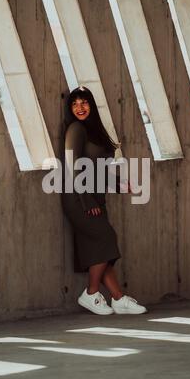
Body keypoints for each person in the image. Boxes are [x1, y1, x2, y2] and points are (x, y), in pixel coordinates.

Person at [61, 86, 147, 315]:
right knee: (107, 237)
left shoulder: (94, 131)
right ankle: (90, 294)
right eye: (75, 104)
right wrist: (87, 201)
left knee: (101, 249)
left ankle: (118, 299)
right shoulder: (76, 128)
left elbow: (97, 170)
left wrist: (120, 184)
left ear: (91, 105)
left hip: (96, 198)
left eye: (84, 103)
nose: (80, 108)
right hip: (79, 199)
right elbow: (73, 165)